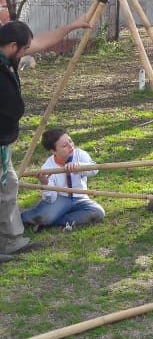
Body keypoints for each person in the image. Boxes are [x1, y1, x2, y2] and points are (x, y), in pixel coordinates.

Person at [0, 16, 91, 260]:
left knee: (8, 186)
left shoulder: (9, 54)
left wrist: (72, 26)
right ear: (12, 46)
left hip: (4, 142)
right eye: (24, 49)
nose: (28, 53)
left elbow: (41, 42)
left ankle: (11, 241)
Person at [20, 128, 105, 230]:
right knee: (42, 216)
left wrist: (80, 166)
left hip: (80, 198)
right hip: (59, 199)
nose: (70, 146)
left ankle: (55, 220)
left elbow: (94, 170)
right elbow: (50, 198)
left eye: (70, 141)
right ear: (53, 151)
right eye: (64, 146)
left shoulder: (80, 154)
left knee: (98, 213)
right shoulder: (48, 167)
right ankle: (19, 218)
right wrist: (45, 183)